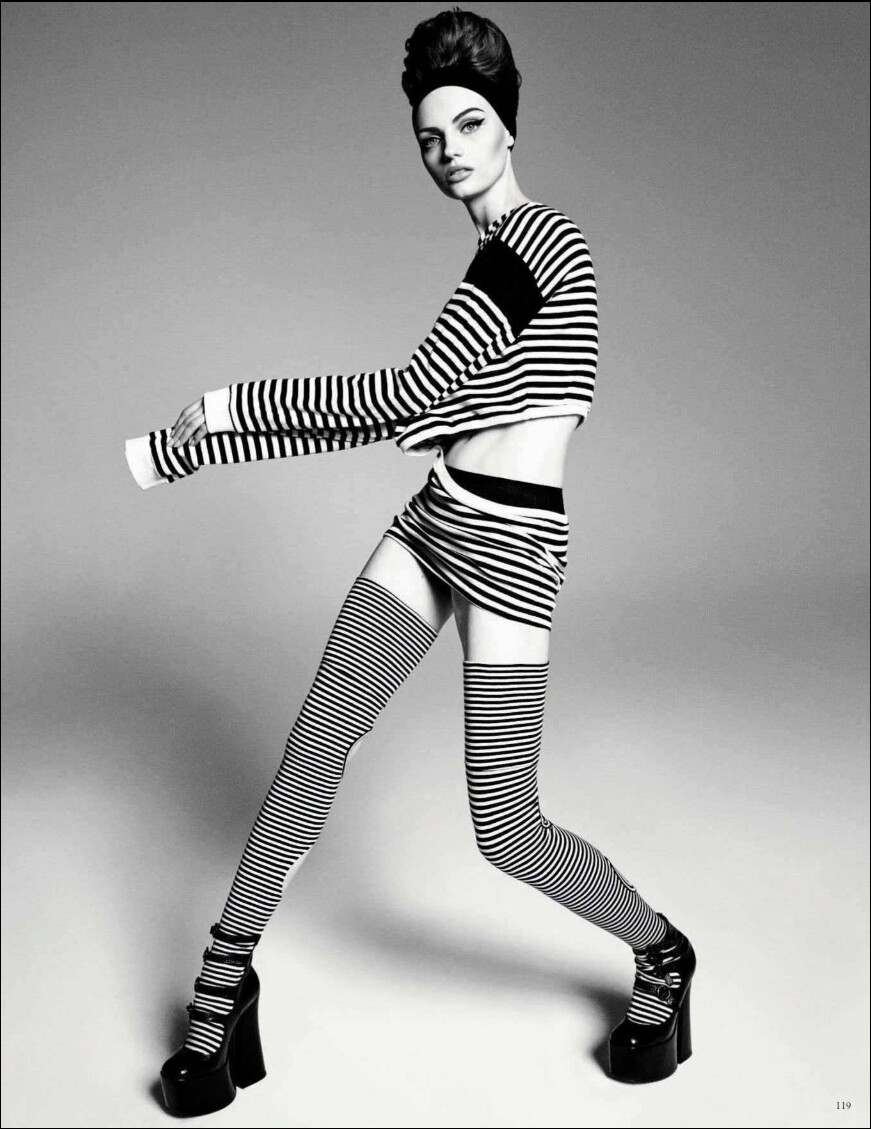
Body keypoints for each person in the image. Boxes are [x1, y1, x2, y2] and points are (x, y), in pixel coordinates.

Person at [126, 7, 697, 1115]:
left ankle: (662, 954)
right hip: (436, 523)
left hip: (513, 551)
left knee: (506, 827)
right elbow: (452, 408)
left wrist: (226, 414)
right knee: (310, 754)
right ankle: (221, 991)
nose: (448, 152)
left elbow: (409, 395)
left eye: (468, 125)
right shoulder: (491, 261)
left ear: (508, 128)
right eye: (429, 136)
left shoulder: (540, 244)